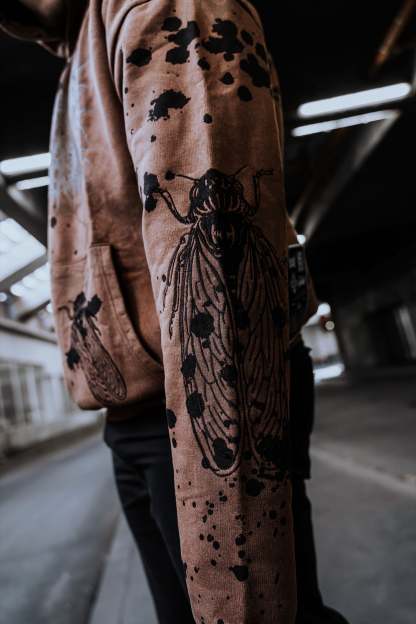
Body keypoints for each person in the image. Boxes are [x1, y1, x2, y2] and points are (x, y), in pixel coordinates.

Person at [0, 1, 326, 622]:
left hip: (199, 397)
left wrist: (232, 559)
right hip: (136, 414)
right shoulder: (80, 45)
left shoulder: (166, 8)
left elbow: (224, 275)